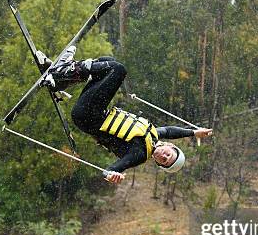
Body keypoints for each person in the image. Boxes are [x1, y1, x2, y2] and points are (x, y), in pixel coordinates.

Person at [41, 47, 213, 184]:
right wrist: (193, 132)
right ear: (169, 146)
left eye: (165, 161)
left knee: (118, 69)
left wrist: (111, 175)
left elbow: (115, 167)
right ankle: (61, 79)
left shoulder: (139, 154)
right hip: (94, 111)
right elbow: (169, 130)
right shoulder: (153, 136)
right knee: (107, 62)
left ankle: (65, 70)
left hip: (89, 117)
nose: (165, 156)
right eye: (170, 154)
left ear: (158, 163)